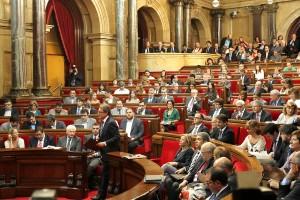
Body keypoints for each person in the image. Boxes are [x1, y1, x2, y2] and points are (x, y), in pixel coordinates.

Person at [92, 104, 120, 200]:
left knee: (105, 174)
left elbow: (117, 137)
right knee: (104, 174)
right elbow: (105, 135)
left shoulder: (111, 122)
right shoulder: (103, 121)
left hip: (110, 153)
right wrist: (98, 139)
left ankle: (101, 195)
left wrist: (104, 143)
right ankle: (101, 194)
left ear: (106, 112)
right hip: (104, 152)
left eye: (100, 112)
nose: (98, 113)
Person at [83, 123, 102, 189]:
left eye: (97, 128)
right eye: (94, 128)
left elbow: (104, 151)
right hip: (88, 156)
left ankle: (83, 183)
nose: (95, 130)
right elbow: (83, 149)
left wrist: (95, 154)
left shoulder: (102, 137)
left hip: (98, 157)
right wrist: (87, 154)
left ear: (99, 129)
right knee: (82, 165)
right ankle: (90, 184)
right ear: (91, 129)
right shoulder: (87, 137)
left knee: (91, 166)